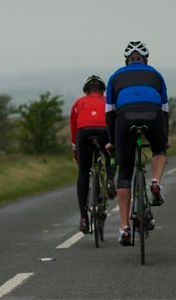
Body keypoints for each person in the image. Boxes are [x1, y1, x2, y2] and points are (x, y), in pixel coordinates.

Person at [105, 41, 171, 246]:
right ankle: (155, 181)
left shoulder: (115, 76)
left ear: (126, 61)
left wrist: (112, 141)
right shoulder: (156, 75)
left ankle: (124, 227)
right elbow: (165, 109)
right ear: (146, 60)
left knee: (124, 171)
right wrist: (164, 136)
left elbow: (109, 112)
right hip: (153, 116)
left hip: (125, 119)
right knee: (159, 148)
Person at [70, 75, 117, 233]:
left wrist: (76, 152)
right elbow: (116, 122)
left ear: (86, 91)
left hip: (84, 133)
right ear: (103, 91)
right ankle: (110, 179)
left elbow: (73, 129)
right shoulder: (107, 102)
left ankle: (84, 218)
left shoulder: (78, 103)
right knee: (111, 156)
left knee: (83, 172)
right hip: (105, 131)